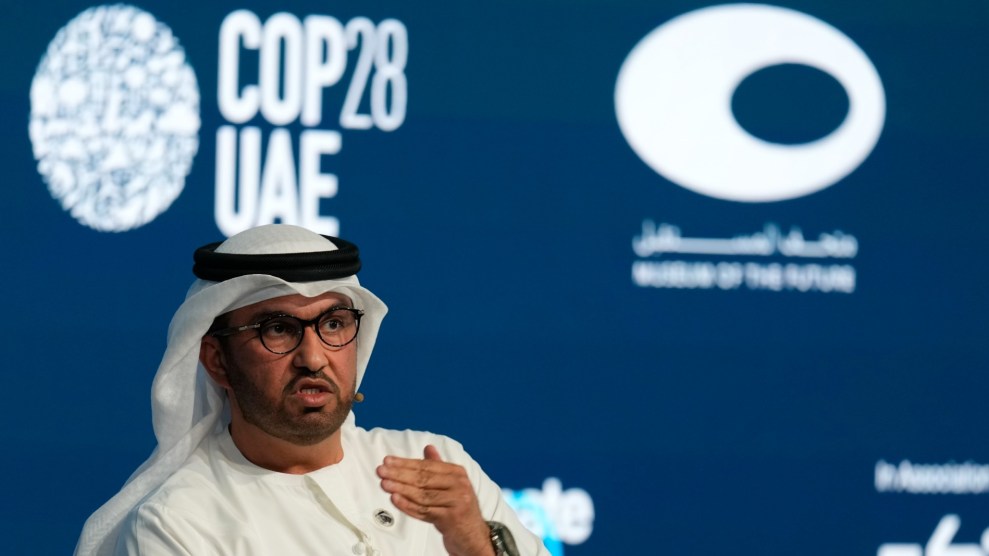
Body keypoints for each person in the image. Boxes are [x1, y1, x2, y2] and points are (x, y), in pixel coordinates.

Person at [75, 224, 548, 556]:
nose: (314, 356)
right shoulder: (180, 522)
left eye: (334, 323)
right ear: (217, 360)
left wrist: (477, 545)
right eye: (278, 329)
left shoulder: (435, 465)